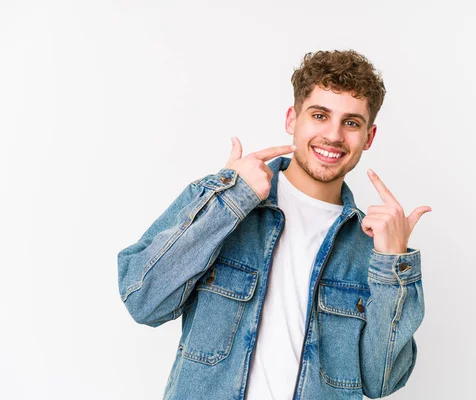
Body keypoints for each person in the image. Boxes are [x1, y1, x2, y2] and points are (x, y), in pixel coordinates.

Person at [117, 49, 431, 400]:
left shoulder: (369, 248)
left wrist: (392, 266)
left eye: (351, 122)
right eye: (319, 115)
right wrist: (228, 201)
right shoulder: (227, 204)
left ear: (368, 137)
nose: (333, 135)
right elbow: (144, 301)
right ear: (291, 120)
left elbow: (381, 381)